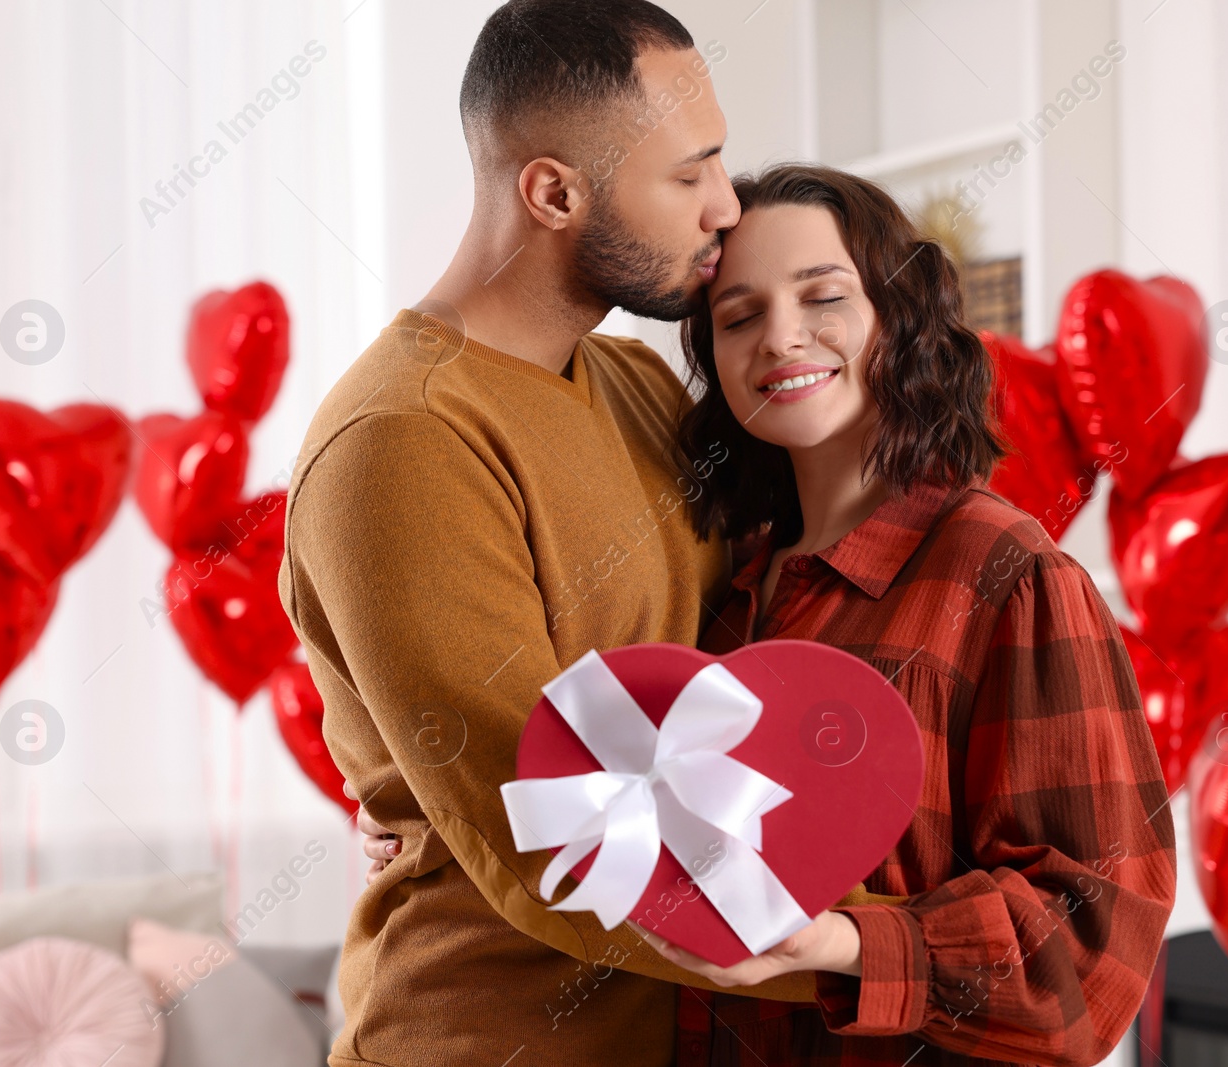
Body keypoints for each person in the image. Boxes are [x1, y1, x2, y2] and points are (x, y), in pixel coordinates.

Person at [279, 3, 815, 1065]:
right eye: (689, 172)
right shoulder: (402, 438)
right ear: (553, 191)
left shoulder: (635, 380)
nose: (726, 206)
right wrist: (906, 951)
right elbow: (548, 826)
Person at [636, 164, 1177, 1066]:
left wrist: (846, 945)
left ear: (901, 319)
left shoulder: (1008, 576)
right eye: (738, 317)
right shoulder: (722, 594)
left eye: (823, 297)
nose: (780, 337)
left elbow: (1094, 951)